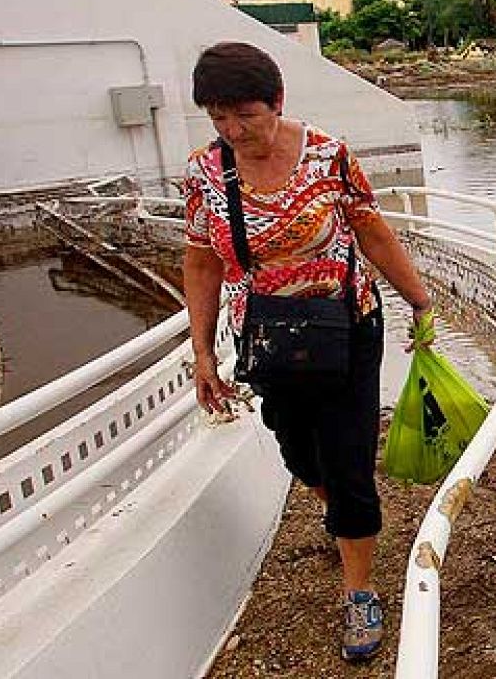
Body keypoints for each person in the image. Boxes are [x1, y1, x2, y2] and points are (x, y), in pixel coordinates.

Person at [181, 41, 434, 663]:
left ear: (278, 102)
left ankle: (359, 589)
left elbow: (371, 227)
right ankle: (345, 521)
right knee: (298, 451)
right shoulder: (207, 174)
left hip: (348, 326)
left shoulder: (327, 155)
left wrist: (421, 301)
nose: (235, 131)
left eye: (246, 115)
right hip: (267, 336)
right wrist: (204, 353)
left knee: (348, 460)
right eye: (219, 118)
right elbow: (201, 260)